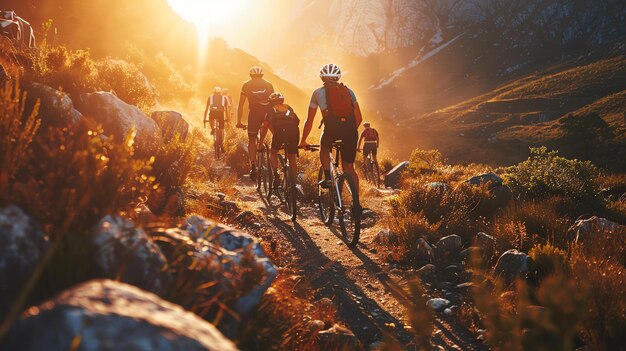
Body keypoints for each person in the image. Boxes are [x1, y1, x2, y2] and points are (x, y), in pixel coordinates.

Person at [299, 63, 363, 208]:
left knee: (324, 147)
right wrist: (349, 132)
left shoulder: (317, 93)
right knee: (349, 168)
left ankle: (328, 177)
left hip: (332, 130)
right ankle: (356, 204)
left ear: (322, 77)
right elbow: (359, 118)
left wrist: (303, 140)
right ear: (337, 77)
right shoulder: (349, 91)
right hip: (351, 131)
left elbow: (309, 120)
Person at [237, 66, 275, 181]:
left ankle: (253, 165)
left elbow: (241, 104)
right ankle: (279, 158)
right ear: (262, 75)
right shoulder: (269, 84)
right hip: (269, 113)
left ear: (251, 75)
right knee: (276, 134)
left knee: (252, 139)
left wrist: (238, 122)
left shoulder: (246, 85)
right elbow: (275, 101)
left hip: (254, 115)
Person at [260, 92, 300, 189]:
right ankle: (293, 183)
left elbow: (265, 127)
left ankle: (276, 175)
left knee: (273, 152)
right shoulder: (288, 108)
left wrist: (260, 142)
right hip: (294, 131)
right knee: (292, 158)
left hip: (280, 132)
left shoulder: (270, 111)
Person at [204, 87, 230, 152]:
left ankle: (213, 129)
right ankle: (222, 145)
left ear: (214, 92)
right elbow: (227, 110)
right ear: (220, 92)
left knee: (210, 118)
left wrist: (204, 119)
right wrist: (228, 119)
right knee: (222, 129)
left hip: (212, 112)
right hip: (220, 114)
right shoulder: (224, 98)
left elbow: (206, 109)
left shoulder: (210, 97)